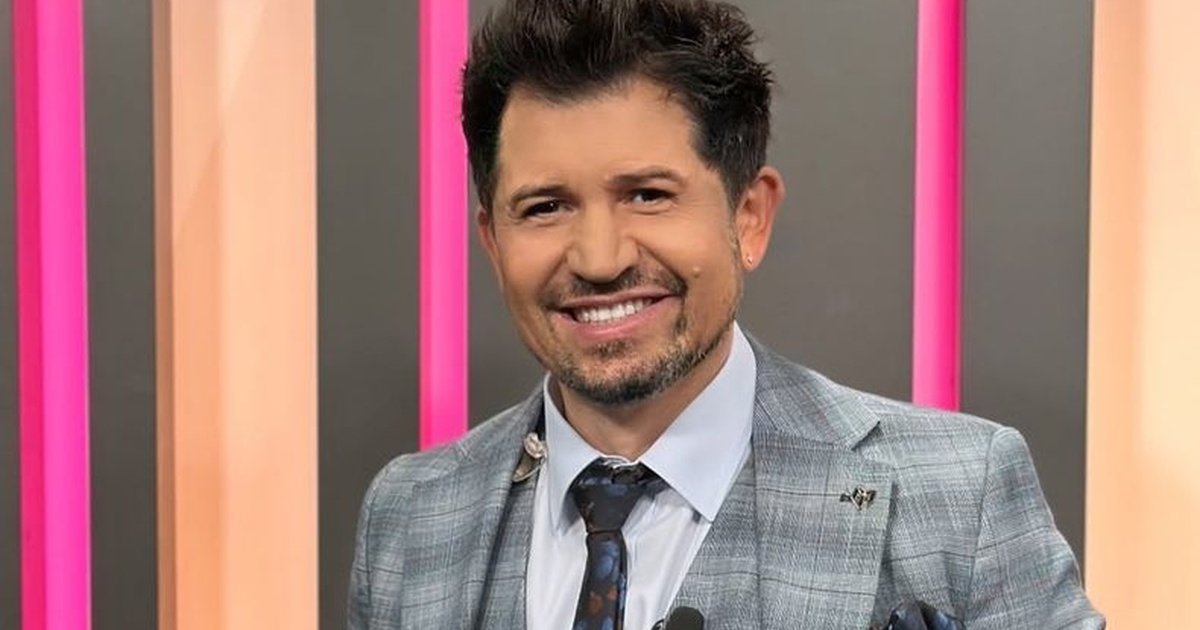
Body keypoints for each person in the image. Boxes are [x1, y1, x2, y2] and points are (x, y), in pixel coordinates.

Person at [348, 0, 1105, 628]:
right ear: (492, 240)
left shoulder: (960, 497)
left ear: (749, 216)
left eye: (648, 195)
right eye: (545, 207)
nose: (599, 258)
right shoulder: (409, 515)